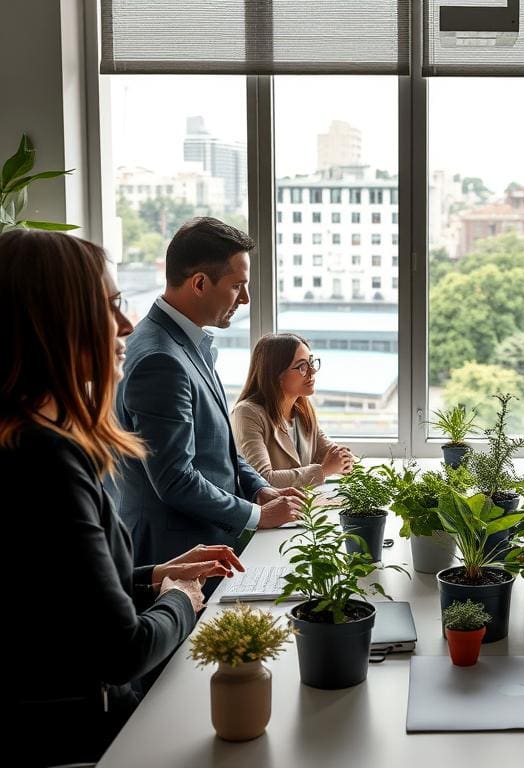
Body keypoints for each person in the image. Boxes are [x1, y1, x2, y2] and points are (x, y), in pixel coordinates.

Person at [0, 230, 242, 766]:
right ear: (55, 321)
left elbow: (58, 594)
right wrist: (182, 595)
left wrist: (156, 575)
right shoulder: (45, 456)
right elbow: (119, 651)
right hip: (80, 739)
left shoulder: (30, 438)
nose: (127, 326)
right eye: (110, 306)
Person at [112, 218, 302, 567]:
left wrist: (259, 488)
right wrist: (259, 516)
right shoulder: (160, 359)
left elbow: (219, 450)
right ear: (199, 283)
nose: (245, 298)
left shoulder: (186, 342)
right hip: (176, 552)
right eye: (237, 286)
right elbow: (175, 479)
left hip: (207, 544)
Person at [231, 333, 354, 488]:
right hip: (267, 510)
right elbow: (262, 480)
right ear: (277, 374)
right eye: (302, 366)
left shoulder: (302, 410)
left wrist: (344, 459)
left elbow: (332, 453)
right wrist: (323, 471)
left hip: (303, 507)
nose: (312, 372)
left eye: (311, 363)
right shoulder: (247, 413)